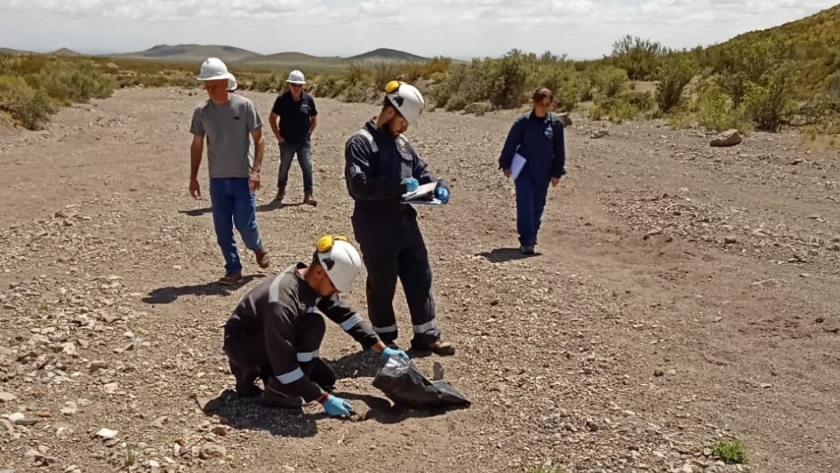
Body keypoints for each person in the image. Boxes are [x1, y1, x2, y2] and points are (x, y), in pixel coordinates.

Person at [222, 234, 410, 417]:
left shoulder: (311, 281)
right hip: (243, 345)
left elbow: (344, 314)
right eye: (335, 285)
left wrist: (382, 348)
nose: (336, 291)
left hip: (266, 334)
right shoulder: (283, 301)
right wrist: (324, 399)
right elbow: (284, 363)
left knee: (325, 376)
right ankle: (277, 389)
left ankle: (275, 374)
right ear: (320, 271)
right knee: (311, 329)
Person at [343, 80, 455, 357]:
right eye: (404, 120)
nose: (405, 127)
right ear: (391, 111)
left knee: (420, 275)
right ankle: (383, 340)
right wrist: (398, 187)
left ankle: (426, 335)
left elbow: (421, 170)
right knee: (382, 283)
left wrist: (436, 186)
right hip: (375, 227)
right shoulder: (361, 143)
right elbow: (359, 186)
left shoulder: (403, 142)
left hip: (405, 223)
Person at [189, 57, 270, 284]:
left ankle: (257, 247)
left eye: (213, 85)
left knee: (245, 223)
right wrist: (193, 177)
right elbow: (197, 145)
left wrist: (256, 171)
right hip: (217, 179)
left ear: (225, 82)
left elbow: (260, 139)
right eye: (206, 85)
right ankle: (233, 269)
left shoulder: (244, 106)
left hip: (242, 178)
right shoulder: (201, 112)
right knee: (222, 228)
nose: (209, 89)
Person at [497, 87, 567, 255]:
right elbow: (511, 143)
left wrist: (557, 173)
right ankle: (526, 240)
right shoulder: (522, 122)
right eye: (541, 104)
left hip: (544, 170)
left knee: (538, 205)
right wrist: (505, 164)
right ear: (533, 103)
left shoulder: (556, 123)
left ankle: (532, 234)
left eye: (547, 104)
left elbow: (559, 150)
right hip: (524, 170)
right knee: (525, 204)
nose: (544, 107)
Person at [268, 69, 319, 206]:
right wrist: (278, 137)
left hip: (303, 142)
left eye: (299, 85)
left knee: (307, 166)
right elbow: (272, 118)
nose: (296, 88)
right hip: (286, 141)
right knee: (284, 166)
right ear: (289, 85)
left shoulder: (308, 100)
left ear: (302, 86)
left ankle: (308, 194)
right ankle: (281, 190)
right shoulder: (282, 100)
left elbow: (314, 118)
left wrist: (309, 133)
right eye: (293, 85)